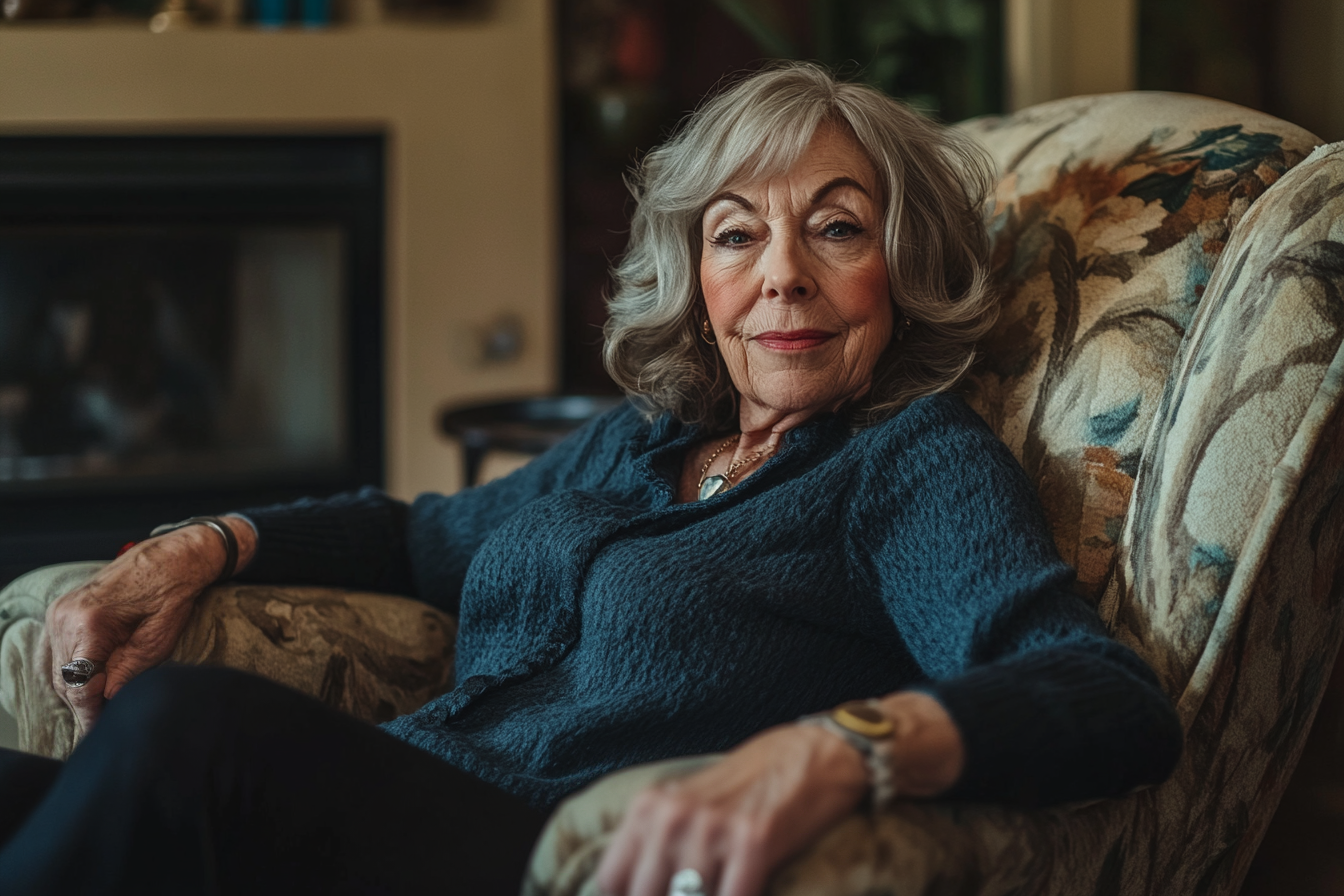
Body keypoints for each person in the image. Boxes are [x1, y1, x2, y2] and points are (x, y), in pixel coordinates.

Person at [0, 63, 1183, 896]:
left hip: (552, 855)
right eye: (735, 233)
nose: (781, 276)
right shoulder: (648, 436)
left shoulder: (910, 461)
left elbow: (1099, 690)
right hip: (400, 806)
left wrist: (839, 745)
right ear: (697, 276)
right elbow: (418, 537)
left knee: (185, 730)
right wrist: (198, 545)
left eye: (836, 227)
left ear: (904, 267)